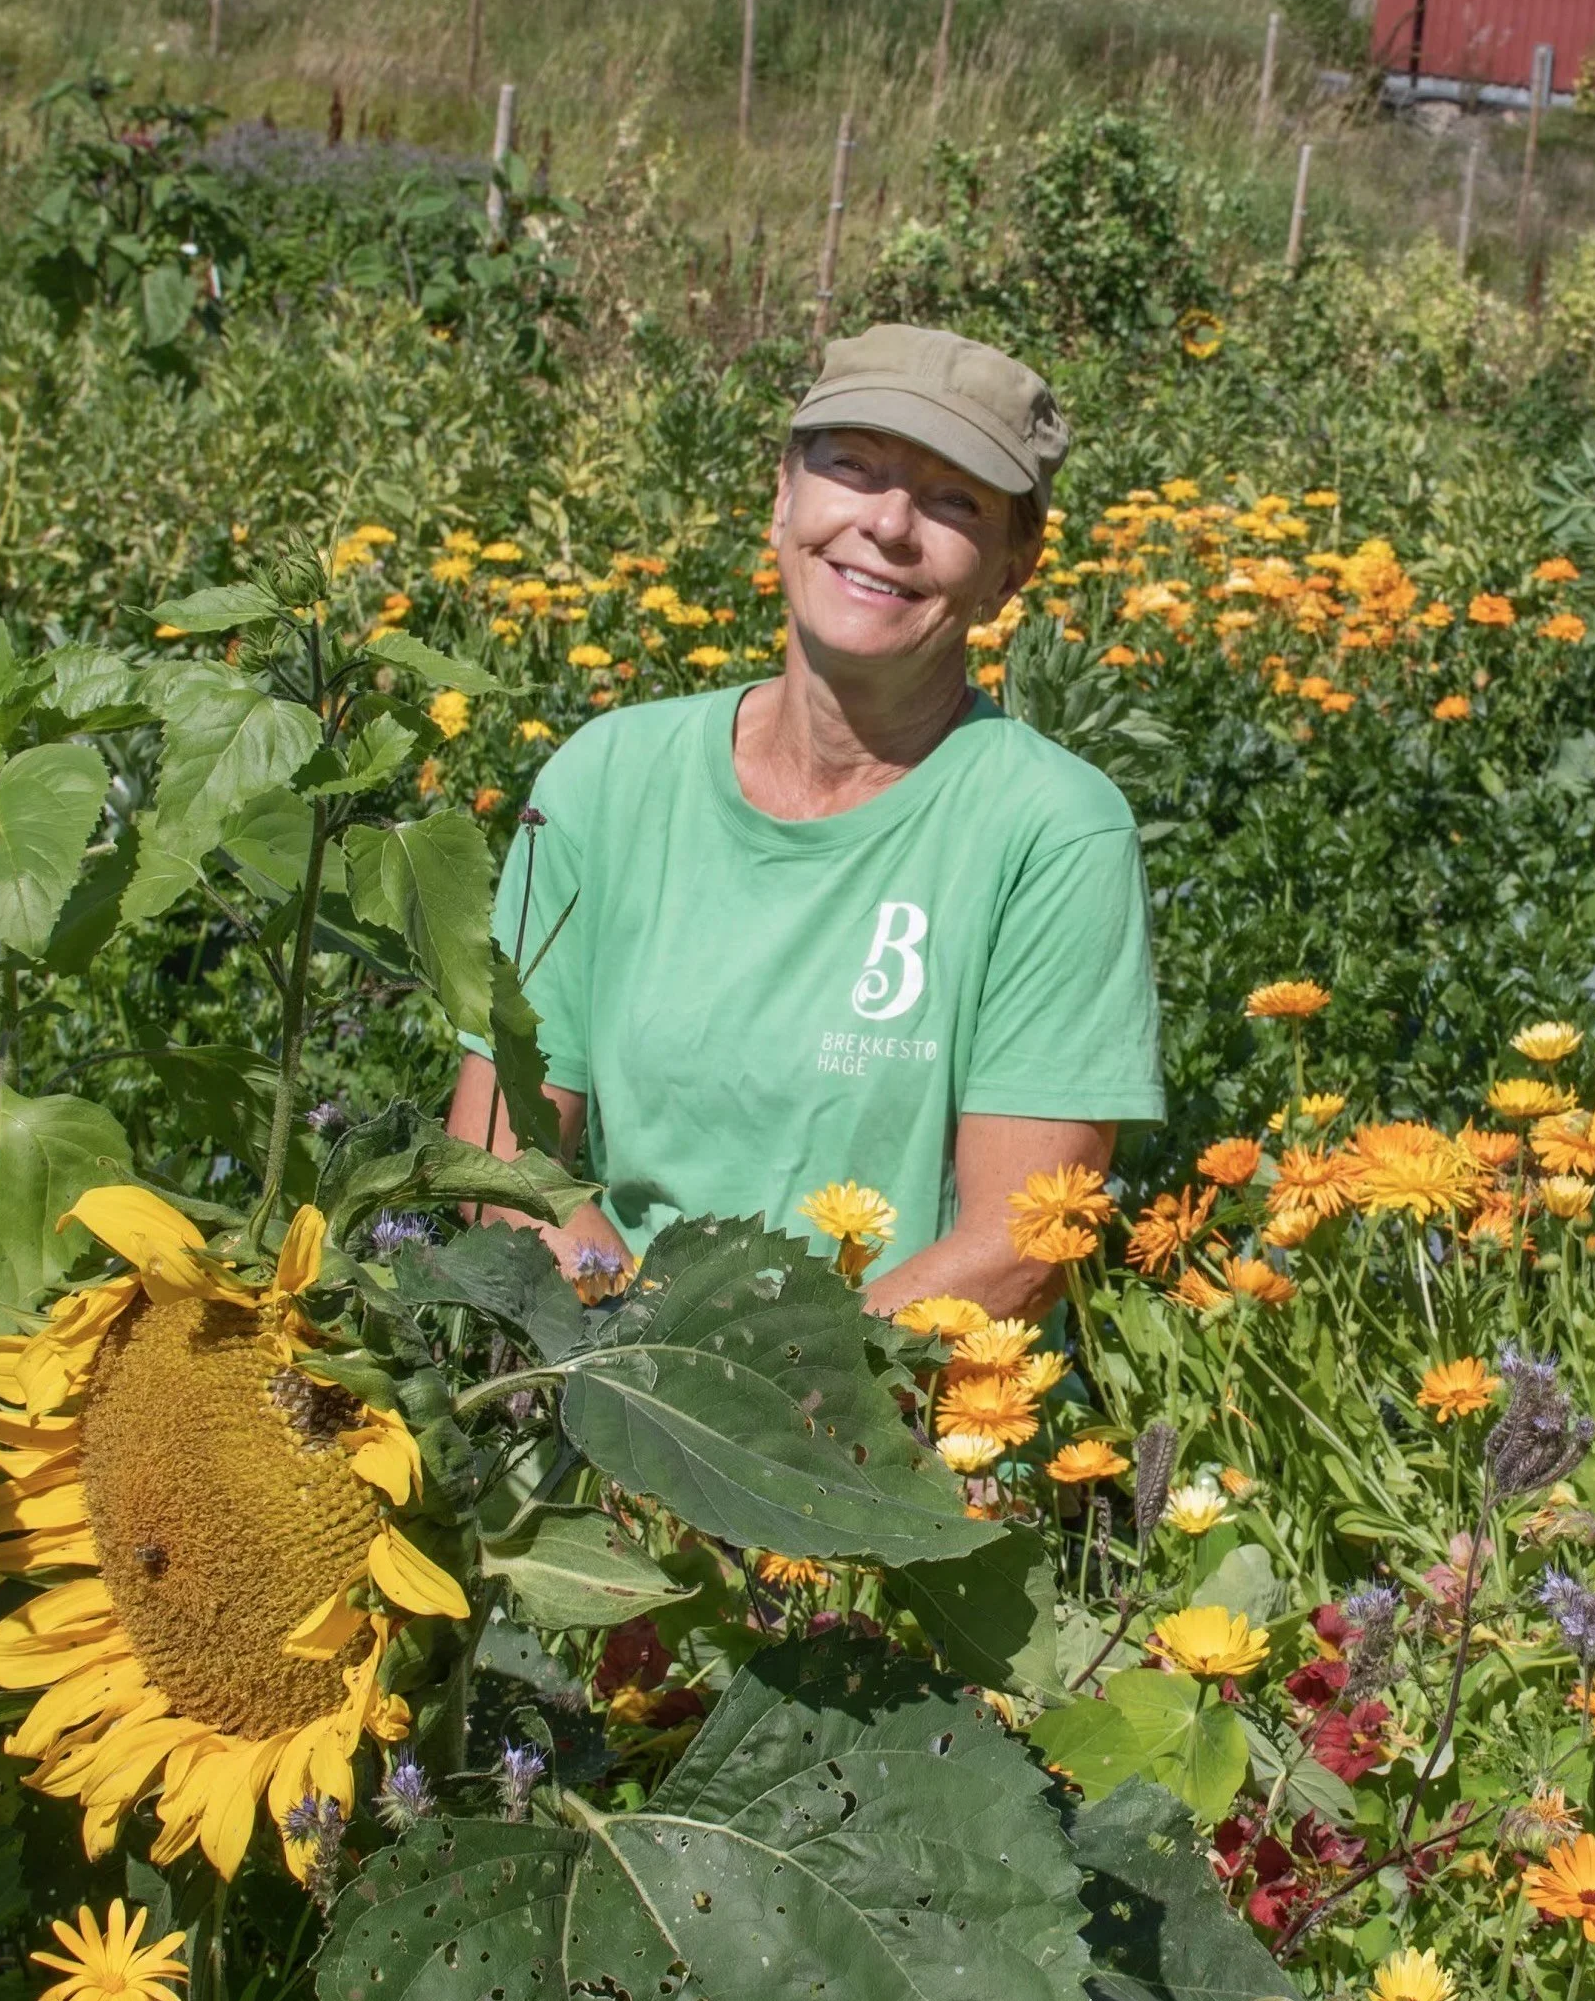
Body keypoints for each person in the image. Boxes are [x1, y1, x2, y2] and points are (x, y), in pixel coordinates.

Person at [447, 323, 1163, 1321]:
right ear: (783, 494)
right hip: (612, 1366)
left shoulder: (1051, 832)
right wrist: (638, 1357)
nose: (889, 523)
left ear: (1012, 567)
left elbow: (1020, 1247)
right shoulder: (603, 781)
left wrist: (761, 1393)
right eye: (853, 467)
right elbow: (500, 1159)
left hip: (904, 1404)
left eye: (954, 499)